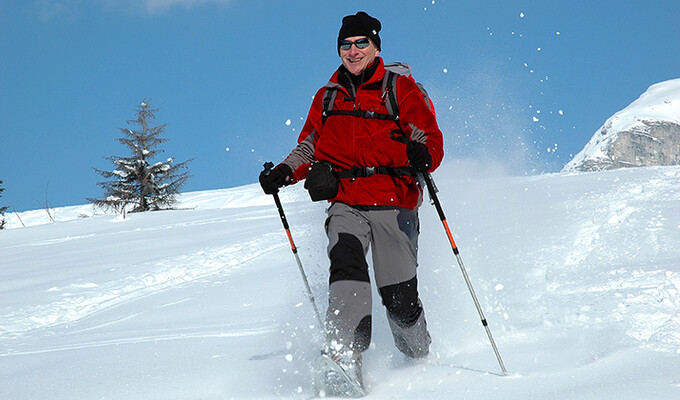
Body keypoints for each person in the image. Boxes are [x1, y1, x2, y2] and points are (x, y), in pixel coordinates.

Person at [259, 11, 444, 388]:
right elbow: (310, 145)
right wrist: (284, 172)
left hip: (395, 201)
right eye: (346, 44)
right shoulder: (328, 96)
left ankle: (419, 356)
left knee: (398, 297)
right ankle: (344, 352)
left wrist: (423, 155)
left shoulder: (400, 89)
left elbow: (427, 136)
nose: (353, 50)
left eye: (361, 43)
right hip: (346, 202)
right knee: (345, 266)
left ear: (376, 47)